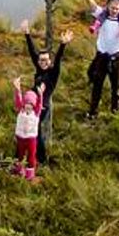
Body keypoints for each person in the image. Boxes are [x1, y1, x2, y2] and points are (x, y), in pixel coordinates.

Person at [20, 19, 71, 162]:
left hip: (43, 106)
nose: (43, 62)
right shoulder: (39, 69)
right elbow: (32, 52)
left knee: (35, 129)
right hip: (32, 104)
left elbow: (58, 59)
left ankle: (41, 158)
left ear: (50, 61)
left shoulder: (53, 73)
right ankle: (30, 153)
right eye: (41, 60)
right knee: (29, 128)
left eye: (46, 60)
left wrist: (63, 44)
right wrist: (27, 34)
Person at [11, 77, 43, 179]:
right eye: (27, 103)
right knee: (20, 154)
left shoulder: (36, 113)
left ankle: (30, 173)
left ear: (34, 105)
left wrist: (40, 94)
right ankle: (20, 170)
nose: (28, 106)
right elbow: (18, 100)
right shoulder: (21, 110)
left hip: (31, 139)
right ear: (24, 104)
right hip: (21, 138)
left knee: (31, 155)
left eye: (31, 104)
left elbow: (40, 104)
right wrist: (17, 89)